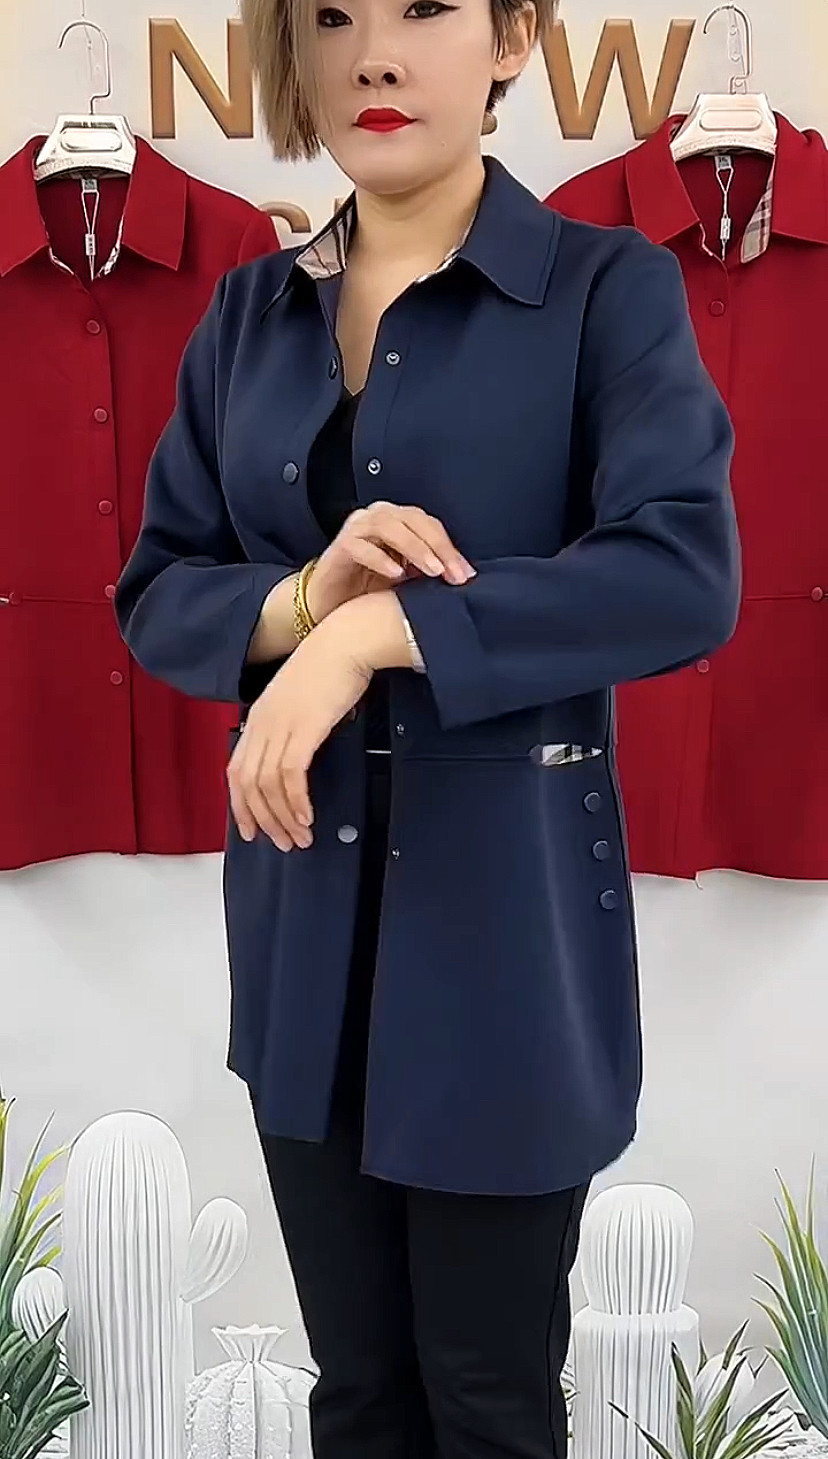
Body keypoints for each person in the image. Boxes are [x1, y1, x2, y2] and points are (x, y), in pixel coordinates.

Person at [114, 0, 741, 1446]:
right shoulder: (246, 316)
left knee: (488, 1398)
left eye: (425, 10)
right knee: (360, 1395)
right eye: (332, 17)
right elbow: (160, 592)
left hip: (508, 946)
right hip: (300, 943)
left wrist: (374, 636)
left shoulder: (607, 290)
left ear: (513, 37)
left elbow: (681, 574)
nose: (374, 56)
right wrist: (301, 603)